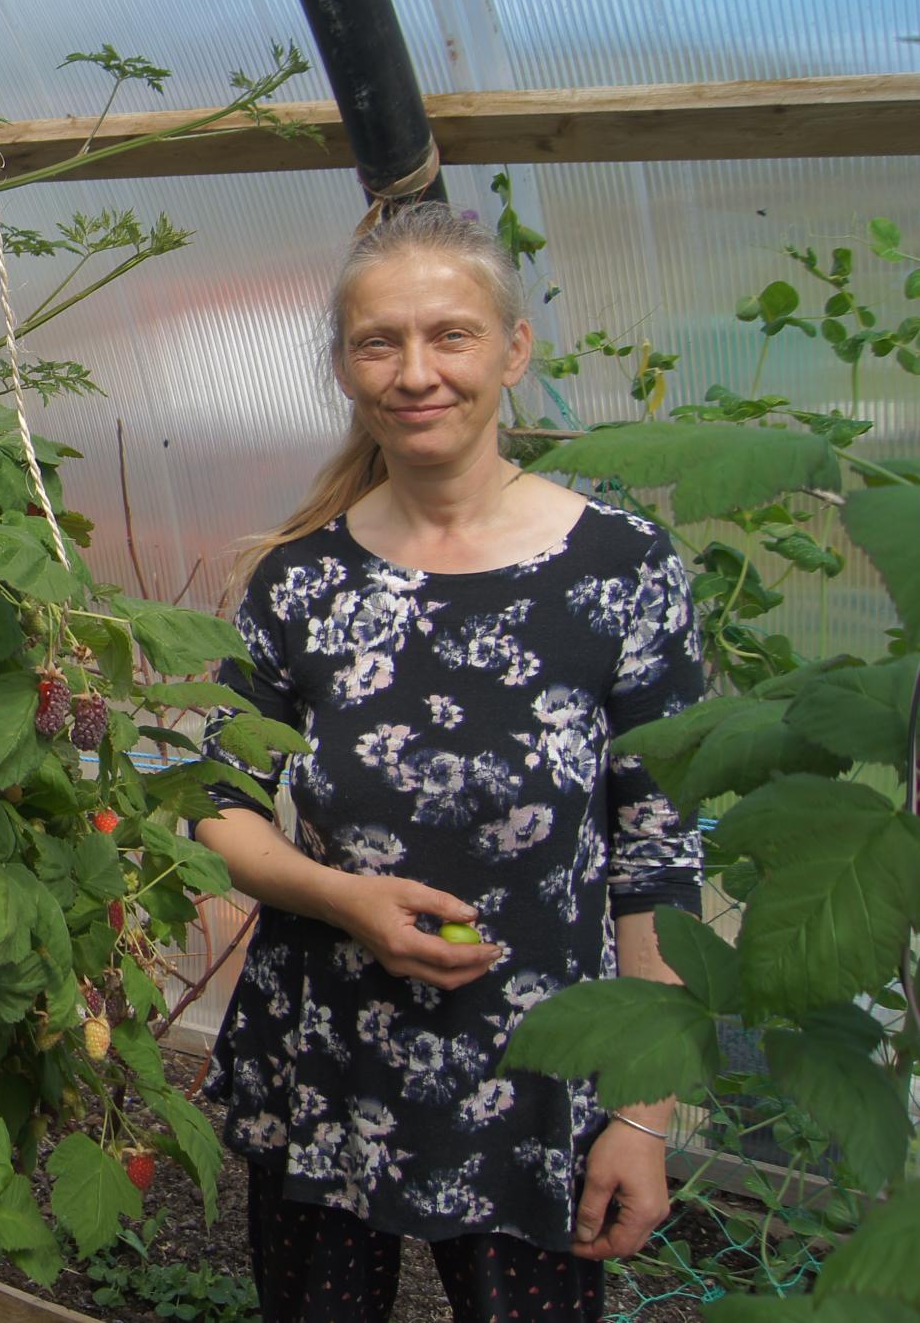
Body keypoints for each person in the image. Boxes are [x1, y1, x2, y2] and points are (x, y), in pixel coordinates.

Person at [189, 202, 704, 1323]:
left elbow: (658, 857)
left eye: (451, 335)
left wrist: (642, 1111)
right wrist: (340, 898)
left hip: (539, 1073)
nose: (415, 371)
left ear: (514, 349)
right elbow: (216, 805)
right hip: (325, 1058)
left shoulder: (619, 571)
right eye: (380, 342)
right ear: (343, 366)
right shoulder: (298, 580)